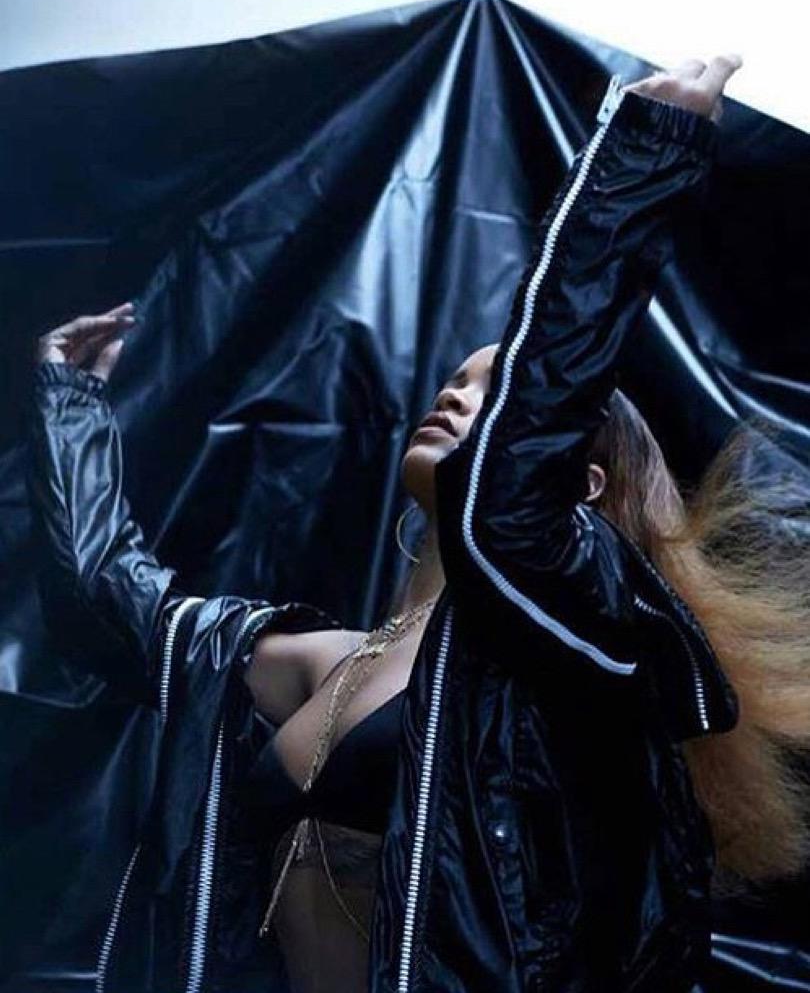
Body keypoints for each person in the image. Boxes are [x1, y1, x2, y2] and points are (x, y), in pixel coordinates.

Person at [25, 54, 810, 993]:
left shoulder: (574, 657)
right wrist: (70, 404)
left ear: (584, 482)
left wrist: (638, 166)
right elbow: (114, 608)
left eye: (495, 393)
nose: (457, 394)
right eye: (458, 379)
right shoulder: (328, 663)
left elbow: (514, 492)